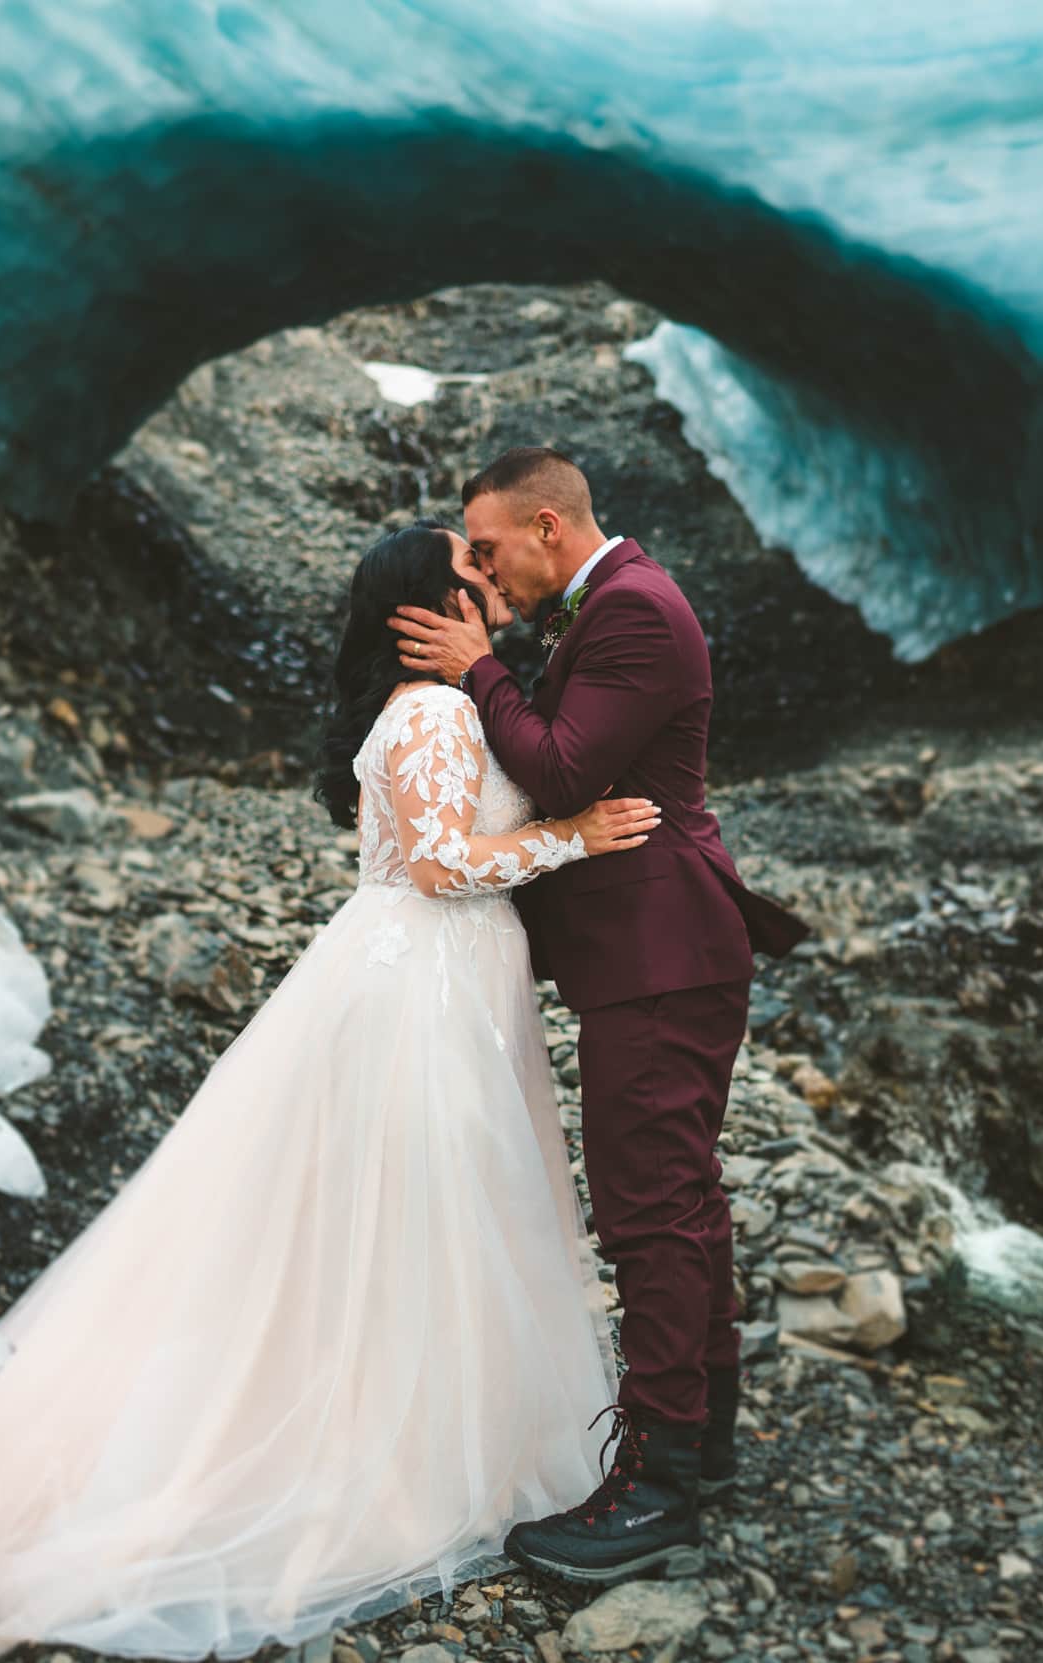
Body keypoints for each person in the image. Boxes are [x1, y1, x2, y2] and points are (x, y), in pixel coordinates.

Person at [0, 520, 660, 1659]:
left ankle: (418, 1421)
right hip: (416, 977)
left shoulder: (460, 699)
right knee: (422, 1203)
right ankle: (386, 1448)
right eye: (467, 568)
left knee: (427, 1205)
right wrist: (573, 835)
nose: (487, 579)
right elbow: (434, 862)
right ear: (422, 606)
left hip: (444, 972)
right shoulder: (430, 710)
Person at [390, 446, 808, 1585]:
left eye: (488, 549)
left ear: (544, 525)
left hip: (661, 947)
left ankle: (659, 1485)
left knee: (650, 1210)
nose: (483, 570)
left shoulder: (632, 610)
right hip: (653, 946)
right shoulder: (618, 605)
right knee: (681, 1197)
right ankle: (699, 1443)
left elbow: (566, 770)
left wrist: (480, 669)